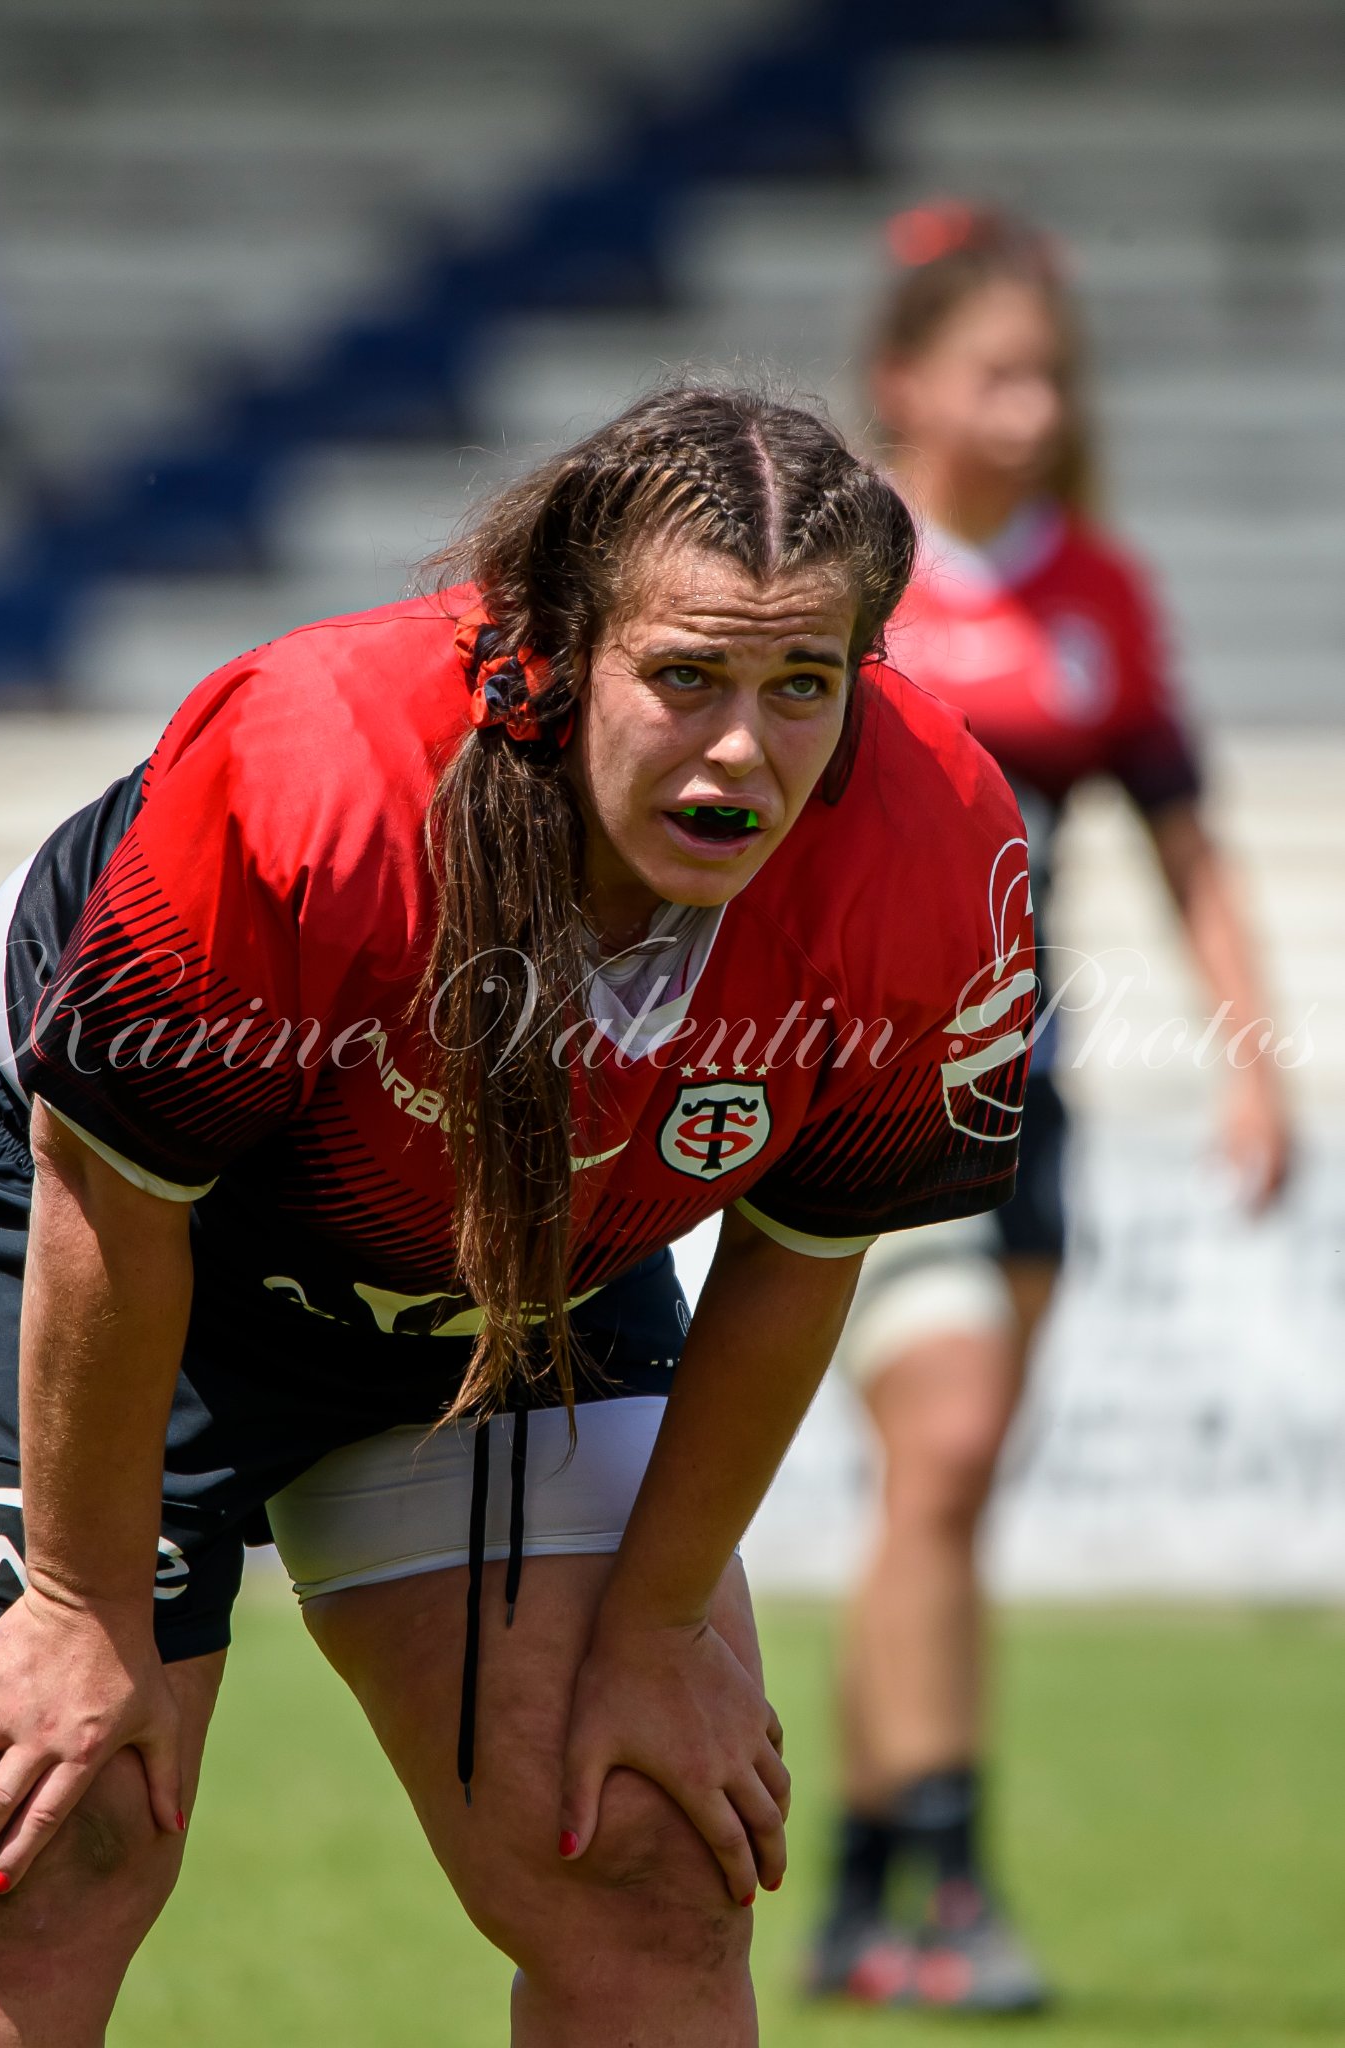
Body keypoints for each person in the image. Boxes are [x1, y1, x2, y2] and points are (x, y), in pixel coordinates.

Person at [0, 385, 1039, 2047]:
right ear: (560, 648)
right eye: (685, 677)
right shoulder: (311, 769)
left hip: (509, 1279)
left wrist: (660, 1626)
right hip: (73, 1205)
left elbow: (796, 1264)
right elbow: (117, 1194)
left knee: (644, 1857)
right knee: (41, 1839)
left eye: (803, 685)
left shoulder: (938, 858)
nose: (743, 749)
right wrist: (81, 1603)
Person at [803, 205, 1293, 2014]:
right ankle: (940, 1888)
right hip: (847, 1093)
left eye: (1048, 374)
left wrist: (1254, 1058)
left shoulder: (1099, 589)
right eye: (994, 369)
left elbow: (1185, 842)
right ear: (905, 382)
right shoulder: (836, 569)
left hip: (1028, 1094)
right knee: (940, 1451)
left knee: (941, 1501)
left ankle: (861, 1891)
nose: (1029, 403)